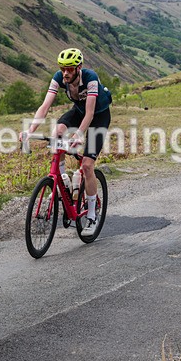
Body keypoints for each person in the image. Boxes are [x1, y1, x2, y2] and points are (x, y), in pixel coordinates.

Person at [22, 48, 112, 235]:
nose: (65, 73)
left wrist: (79, 134)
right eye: (63, 68)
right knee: (57, 133)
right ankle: (63, 181)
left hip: (98, 116)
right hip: (78, 111)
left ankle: (92, 216)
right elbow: (45, 106)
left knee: (87, 165)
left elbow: (90, 113)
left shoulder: (90, 78)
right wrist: (30, 131)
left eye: (70, 69)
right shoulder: (59, 78)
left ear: (78, 68)